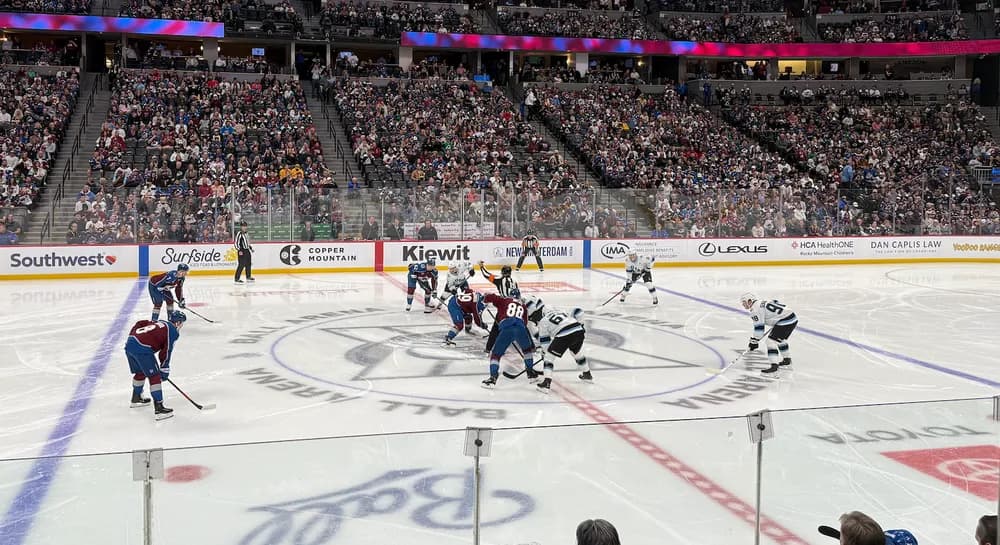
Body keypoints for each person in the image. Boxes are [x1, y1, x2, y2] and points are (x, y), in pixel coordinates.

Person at [124, 311, 187, 420]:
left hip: (130, 343)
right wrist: (164, 369)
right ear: (177, 323)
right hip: (143, 348)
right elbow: (167, 351)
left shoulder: (159, 322)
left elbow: (139, 323)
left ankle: (136, 398)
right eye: (182, 323)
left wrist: (132, 336)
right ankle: (159, 408)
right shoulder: (172, 331)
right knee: (155, 376)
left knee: (140, 372)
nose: (182, 326)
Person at [525, 297, 590, 392]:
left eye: (533, 316)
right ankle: (587, 374)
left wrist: (544, 353)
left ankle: (546, 383)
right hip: (578, 330)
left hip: (565, 333)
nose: (534, 320)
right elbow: (578, 311)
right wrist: (582, 326)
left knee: (548, 358)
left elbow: (545, 344)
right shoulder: (559, 311)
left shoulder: (543, 322)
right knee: (576, 353)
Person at [481, 293, 536, 388]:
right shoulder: (523, 306)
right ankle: (531, 373)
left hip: (507, 328)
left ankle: (493, 378)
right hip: (521, 329)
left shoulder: (504, 300)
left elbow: (492, 297)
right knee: (527, 351)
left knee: (496, 355)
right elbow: (525, 322)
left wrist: (484, 299)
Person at [740, 293, 798, 374]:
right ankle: (787, 360)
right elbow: (775, 302)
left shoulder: (755, 310)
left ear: (750, 301)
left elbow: (759, 329)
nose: (743, 305)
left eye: (744, 302)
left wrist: (754, 341)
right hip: (792, 317)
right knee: (779, 340)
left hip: (785, 320)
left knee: (770, 342)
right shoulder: (762, 302)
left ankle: (774, 366)